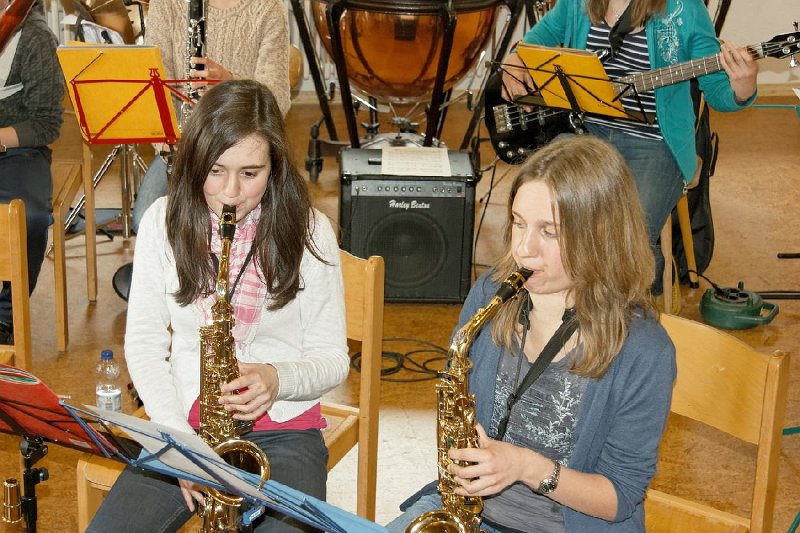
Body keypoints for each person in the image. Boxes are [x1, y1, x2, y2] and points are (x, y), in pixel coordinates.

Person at [88, 79, 349, 533]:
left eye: (250, 174)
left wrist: (277, 378)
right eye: (215, 171)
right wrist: (178, 447)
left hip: (284, 430)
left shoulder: (311, 232)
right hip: (184, 427)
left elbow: (333, 360)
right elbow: (146, 345)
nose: (230, 192)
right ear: (194, 163)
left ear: (275, 167)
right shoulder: (162, 222)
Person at [387, 135, 677, 532]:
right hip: (468, 511)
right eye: (519, 224)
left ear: (600, 235)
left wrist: (526, 467)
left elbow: (621, 497)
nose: (524, 249)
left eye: (549, 232)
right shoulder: (491, 295)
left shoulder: (644, 351)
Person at [500, 0, 758, 293]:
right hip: (585, 132)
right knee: (537, 205)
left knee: (628, 237)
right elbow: (535, 42)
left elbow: (718, 93)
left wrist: (744, 85)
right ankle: (548, 295)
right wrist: (516, 57)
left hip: (656, 142)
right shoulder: (577, 3)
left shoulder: (685, 9)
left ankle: (619, 305)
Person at [131, 0, 291, 234]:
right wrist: (167, 143)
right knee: (148, 222)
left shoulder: (267, 7)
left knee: (264, 225)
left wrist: (231, 84)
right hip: (185, 146)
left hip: (244, 148)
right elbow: (155, 84)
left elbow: (279, 99)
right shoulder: (166, 4)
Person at [0, 0, 64, 344]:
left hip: (18, 151)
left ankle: (6, 316)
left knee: (30, 218)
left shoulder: (35, 38)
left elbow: (46, 124)